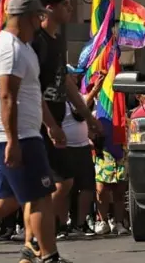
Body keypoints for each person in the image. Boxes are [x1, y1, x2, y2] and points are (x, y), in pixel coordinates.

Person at [0, 0, 70, 262]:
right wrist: (13, 141)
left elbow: (32, 93)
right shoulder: (10, 50)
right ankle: (49, 256)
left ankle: (42, 253)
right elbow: (7, 97)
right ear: (26, 17)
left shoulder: (24, 48)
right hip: (17, 138)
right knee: (41, 195)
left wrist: (51, 126)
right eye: (38, 17)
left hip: (23, 135)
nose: (40, 23)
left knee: (7, 201)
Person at [32, 0, 103, 240]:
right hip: (37, 126)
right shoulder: (36, 42)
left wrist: (89, 117)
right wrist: (50, 125)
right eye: (66, 4)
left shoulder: (58, 41)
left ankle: (42, 238)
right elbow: (32, 90)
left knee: (63, 183)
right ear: (49, 8)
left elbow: (66, 83)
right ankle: (38, 238)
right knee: (51, 186)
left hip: (56, 123)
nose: (71, 9)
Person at [63, 67, 98, 237]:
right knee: (65, 189)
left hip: (83, 147)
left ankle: (80, 223)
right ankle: (62, 225)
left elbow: (84, 107)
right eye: (72, 75)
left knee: (87, 187)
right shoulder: (58, 99)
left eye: (76, 75)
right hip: (65, 148)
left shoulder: (79, 97)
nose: (76, 78)